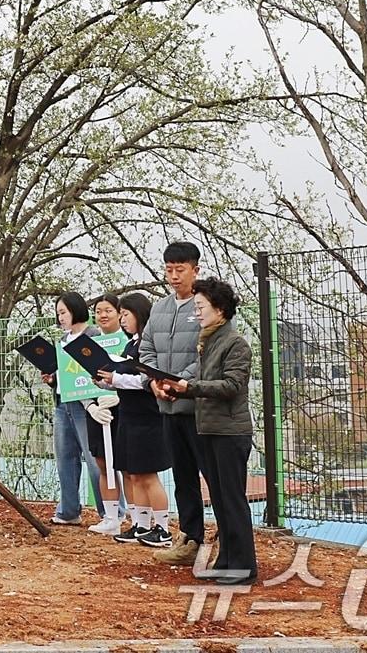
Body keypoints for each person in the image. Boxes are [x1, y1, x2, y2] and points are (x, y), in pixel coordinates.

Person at [155, 277, 257, 586]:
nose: (197, 312)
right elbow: (202, 383)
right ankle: (226, 560)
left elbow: (231, 386)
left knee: (232, 500)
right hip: (210, 429)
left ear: (220, 309)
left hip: (230, 432)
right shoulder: (209, 341)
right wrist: (179, 391)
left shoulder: (235, 343)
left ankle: (243, 566)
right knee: (220, 499)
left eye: (201, 307)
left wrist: (190, 388)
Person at [140, 241, 207, 565]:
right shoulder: (159, 308)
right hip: (167, 408)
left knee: (214, 476)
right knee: (183, 477)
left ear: (196, 270)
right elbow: (146, 350)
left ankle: (230, 541)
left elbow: (208, 355)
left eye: (180, 269)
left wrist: (181, 384)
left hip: (199, 409)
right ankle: (190, 539)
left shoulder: (207, 306)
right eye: (169, 270)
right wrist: (154, 382)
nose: (174, 276)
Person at [98, 293, 173, 546]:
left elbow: (146, 380)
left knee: (148, 475)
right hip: (129, 415)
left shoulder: (149, 345)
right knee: (134, 474)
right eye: (121, 315)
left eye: (126, 314)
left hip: (147, 418)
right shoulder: (131, 345)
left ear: (139, 314)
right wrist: (105, 382)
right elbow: (124, 379)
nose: (122, 319)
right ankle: (141, 525)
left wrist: (117, 379)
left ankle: (163, 528)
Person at [43, 292, 103, 526]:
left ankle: (108, 511)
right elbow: (64, 374)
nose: (60, 318)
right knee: (65, 458)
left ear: (76, 310)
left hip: (86, 404)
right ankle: (68, 510)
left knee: (95, 459)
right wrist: (52, 379)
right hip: (62, 403)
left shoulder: (94, 335)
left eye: (63, 312)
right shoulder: (62, 341)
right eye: (58, 313)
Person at [83, 294, 127, 535]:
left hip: (124, 409)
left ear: (119, 313)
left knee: (128, 465)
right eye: (98, 311)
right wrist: (90, 405)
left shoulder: (129, 340)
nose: (103, 315)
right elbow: (76, 378)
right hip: (97, 410)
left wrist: (120, 395)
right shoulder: (88, 345)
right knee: (103, 463)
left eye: (108, 310)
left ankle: (139, 518)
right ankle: (111, 517)